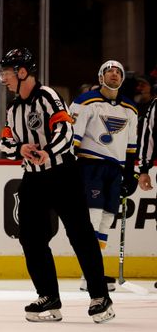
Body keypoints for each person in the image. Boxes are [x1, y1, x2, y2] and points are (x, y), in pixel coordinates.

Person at [0, 48, 114, 324]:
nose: (3, 78)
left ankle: (100, 296)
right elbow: (5, 143)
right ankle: (49, 295)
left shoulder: (48, 96)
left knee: (80, 235)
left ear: (22, 72)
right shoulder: (13, 109)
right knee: (31, 238)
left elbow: (65, 130)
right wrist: (20, 149)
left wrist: (48, 152)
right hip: (33, 179)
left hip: (63, 175)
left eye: (6, 72)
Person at [69, 60, 138, 292]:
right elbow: (72, 138)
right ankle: (89, 276)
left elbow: (131, 146)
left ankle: (90, 275)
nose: (114, 74)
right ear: (100, 77)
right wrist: (70, 167)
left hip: (115, 169)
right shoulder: (85, 102)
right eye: (109, 71)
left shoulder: (130, 108)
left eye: (118, 72)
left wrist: (131, 174)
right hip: (91, 166)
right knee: (93, 218)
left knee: (107, 220)